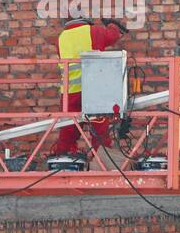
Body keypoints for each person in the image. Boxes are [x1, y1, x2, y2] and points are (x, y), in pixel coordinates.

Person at [52, 16, 127, 159]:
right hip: (92, 89)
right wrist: (113, 25)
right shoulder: (93, 31)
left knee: (69, 128)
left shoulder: (61, 38)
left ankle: (62, 159)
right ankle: (101, 161)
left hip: (70, 92)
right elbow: (113, 36)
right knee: (99, 128)